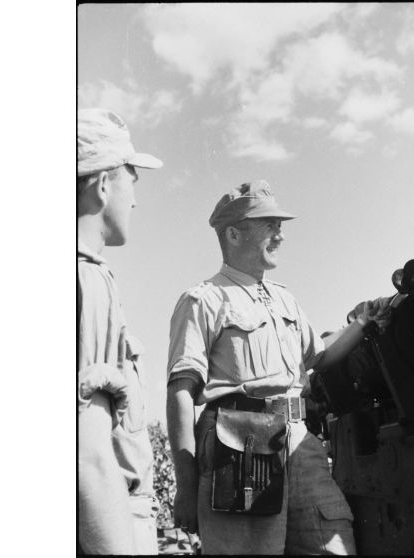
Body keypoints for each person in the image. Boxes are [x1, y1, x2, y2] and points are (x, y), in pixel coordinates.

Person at [166, 180, 390, 555]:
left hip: (301, 445)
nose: (280, 236)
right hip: (240, 447)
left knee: (333, 545)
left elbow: (318, 357)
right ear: (234, 234)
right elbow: (180, 392)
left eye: (280, 226)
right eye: (270, 225)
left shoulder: (284, 297)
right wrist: (186, 485)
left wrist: (363, 322)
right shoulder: (202, 300)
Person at [77, 108, 163, 554]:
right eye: (132, 178)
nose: (135, 200)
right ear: (102, 183)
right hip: (107, 527)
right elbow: (88, 456)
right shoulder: (86, 282)